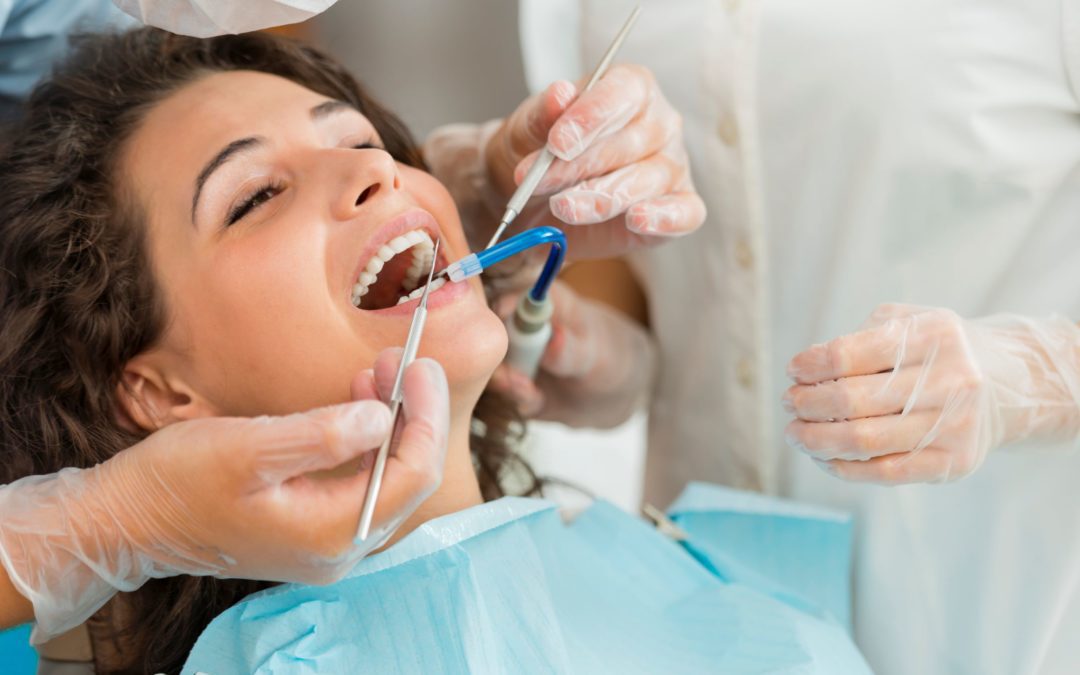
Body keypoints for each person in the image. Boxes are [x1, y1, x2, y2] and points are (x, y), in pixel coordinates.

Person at [0, 26, 869, 673]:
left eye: (361, 142)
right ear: (156, 392)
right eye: (256, 195)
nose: (376, 175)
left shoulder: (666, 569)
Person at [467, 1, 1080, 673]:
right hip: (697, 614)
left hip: (989, 605)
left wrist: (1028, 378)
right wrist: (619, 364)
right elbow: (631, 265)